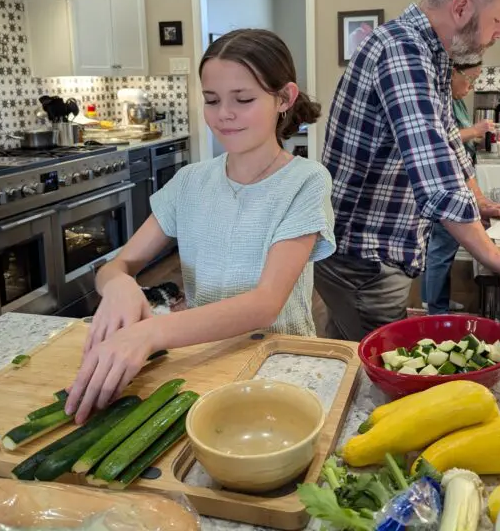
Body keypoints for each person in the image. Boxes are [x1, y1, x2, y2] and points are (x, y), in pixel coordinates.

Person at [66, 29, 335, 423]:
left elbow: (265, 304)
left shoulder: (306, 181)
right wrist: (119, 285)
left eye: (243, 99)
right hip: (203, 358)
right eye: (212, 100)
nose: (223, 113)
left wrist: (151, 332)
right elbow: (115, 267)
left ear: (284, 98)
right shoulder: (191, 181)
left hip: (281, 366)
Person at [315, 0, 500, 342]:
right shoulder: (402, 50)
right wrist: (494, 254)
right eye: (498, 18)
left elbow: (448, 143)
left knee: (346, 357)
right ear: (462, 7)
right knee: (376, 374)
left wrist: (481, 202)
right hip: (362, 260)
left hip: (367, 254)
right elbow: (435, 172)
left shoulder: (429, 52)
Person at [421, 61, 493, 314]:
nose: (471, 87)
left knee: (442, 249)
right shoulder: (439, 102)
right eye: (469, 79)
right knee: (441, 249)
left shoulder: (454, 100)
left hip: (459, 182)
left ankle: (435, 300)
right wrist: (475, 130)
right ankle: (435, 308)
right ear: (451, 73)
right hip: (449, 184)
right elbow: (446, 142)